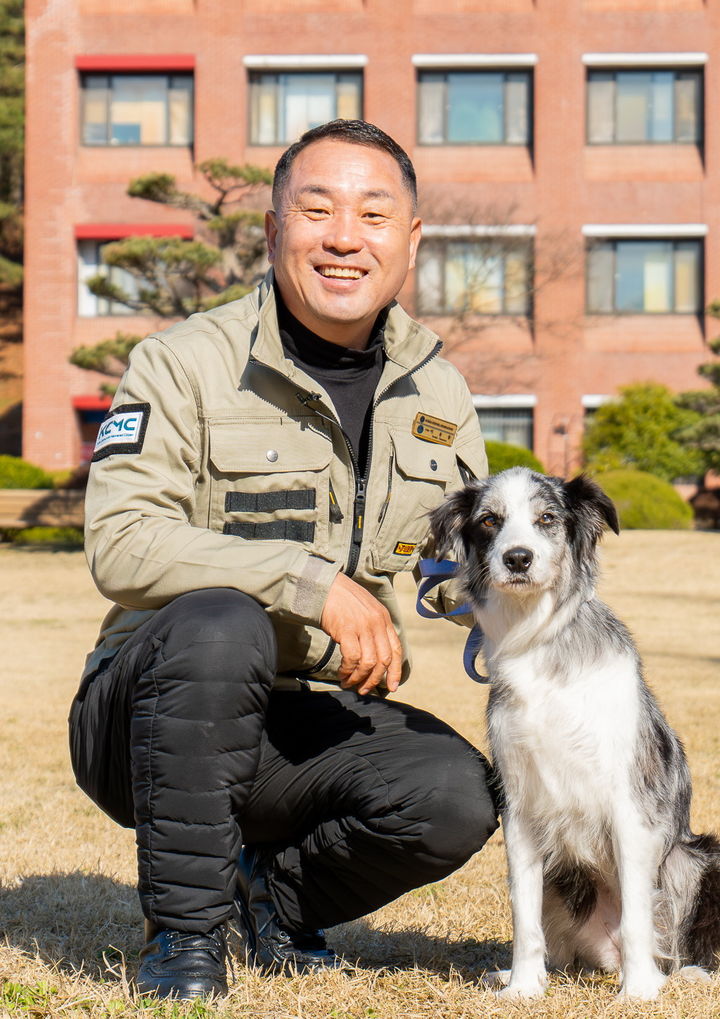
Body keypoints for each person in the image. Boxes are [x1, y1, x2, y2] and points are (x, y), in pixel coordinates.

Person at [69, 119, 497, 1001]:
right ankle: (184, 940)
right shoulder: (182, 363)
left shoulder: (441, 393)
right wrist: (309, 582)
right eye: (318, 209)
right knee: (222, 622)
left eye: (374, 214)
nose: (346, 237)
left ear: (409, 242)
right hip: (153, 712)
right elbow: (120, 540)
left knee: (459, 794)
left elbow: (455, 567)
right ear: (273, 230)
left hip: (310, 721)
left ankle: (272, 899)